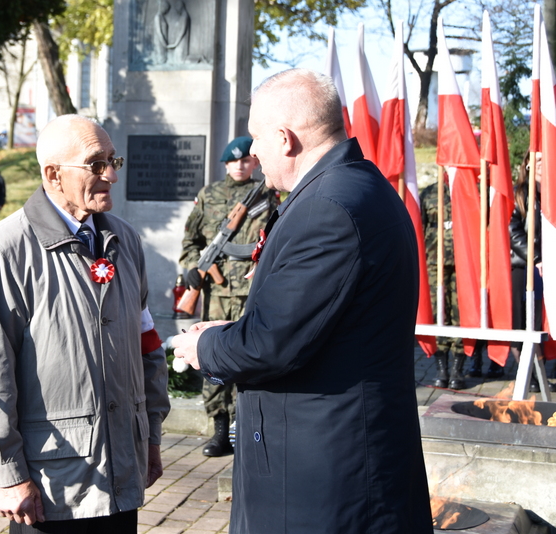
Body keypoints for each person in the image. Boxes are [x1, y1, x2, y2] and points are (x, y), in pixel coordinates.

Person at [172, 69, 432, 533]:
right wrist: (225, 330)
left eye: (255, 139)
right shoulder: (353, 188)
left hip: (322, 479)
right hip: (335, 461)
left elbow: (271, 343)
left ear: (284, 138)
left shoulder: (327, 208)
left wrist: (203, 348)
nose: (251, 152)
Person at [0, 114, 170, 533]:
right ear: (53, 174)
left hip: (122, 472)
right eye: (95, 164)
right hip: (51, 484)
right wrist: (8, 474)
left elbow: (146, 343)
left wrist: (150, 433)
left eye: (113, 160)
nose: (110, 174)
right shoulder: (4, 251)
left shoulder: (125, 241)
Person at [178, 136, 277, 456]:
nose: (240, 165)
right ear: (224, 164)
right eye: (234, 161)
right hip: (218, 292)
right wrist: (193, 269)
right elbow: (191, 241)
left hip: (254, 290)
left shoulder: (268, 194)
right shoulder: (208, 196)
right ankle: (220, 431)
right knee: (215, 356)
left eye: (246, 160)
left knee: (253, 357)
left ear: (255, 161)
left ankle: (250, 429)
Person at [419, 179, 492, 389]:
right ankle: (441, 369)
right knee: (438, 314)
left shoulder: (474, 190)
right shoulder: (430, 192)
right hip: (434, 262)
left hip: (466, 263)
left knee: (461, 314)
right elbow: (421, 226)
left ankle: (457, 371)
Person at [509, 152, 554, 392]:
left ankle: (541, 372)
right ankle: (527, 374)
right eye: (536, 160)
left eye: (544, 160)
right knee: (523, 322)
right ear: (526, 164)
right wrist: (537, 257)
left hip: (549, 269)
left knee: (541, 322)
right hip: (523, 267)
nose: (541, 165)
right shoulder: (520, 194)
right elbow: (513, 231)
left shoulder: (550, 194)